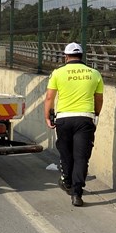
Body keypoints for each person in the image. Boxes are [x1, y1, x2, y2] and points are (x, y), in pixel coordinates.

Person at [44, 42, 104, 207]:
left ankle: (67, 182)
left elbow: (49, 98)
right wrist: (95, 114)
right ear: (82, 56)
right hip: (85, 119)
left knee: (66, 153)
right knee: (81, 157)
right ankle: (77, 193)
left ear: (66, 56)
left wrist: (48, 116)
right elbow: (98, 99)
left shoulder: (58, 73)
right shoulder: (94, 73)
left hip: (64, 119)